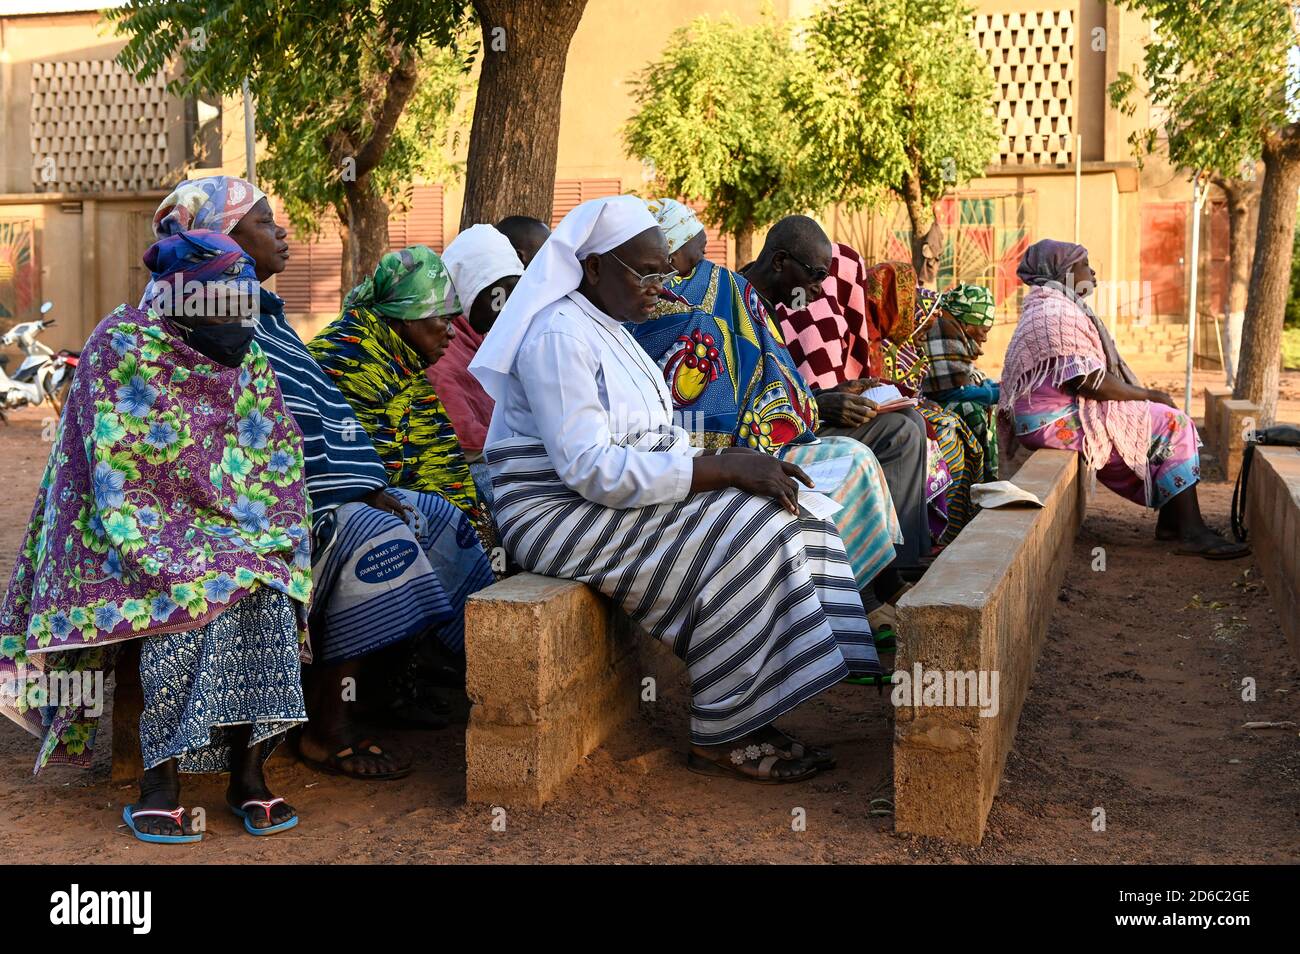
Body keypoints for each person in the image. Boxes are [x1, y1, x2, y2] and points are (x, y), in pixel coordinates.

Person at [470, 195, 881, 782]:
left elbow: (651, 436)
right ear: (593, 268)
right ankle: (724, 731)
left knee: (792, 513)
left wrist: (733, 463)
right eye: (647, 272)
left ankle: (752, 709)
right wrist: (722, 470)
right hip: (553, 513)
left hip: (595, 496)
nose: (661, 285)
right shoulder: (557, 333)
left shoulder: (609, 326)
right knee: (749, 533)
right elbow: (590, 468)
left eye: (666, 271)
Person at [152, 176, 487, 778]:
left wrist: (369, 483)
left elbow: (321, 425)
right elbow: (232, 444)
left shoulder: (271, 320)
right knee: (370, 532)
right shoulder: (197, 320)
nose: (281, 233)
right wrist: (356, 491)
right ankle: (327, 729)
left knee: (431, 517)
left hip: (299, 499)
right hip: (231, 517)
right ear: (219, 238)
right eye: (263, 223)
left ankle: (403, 685)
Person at [0, 230, 311, 842]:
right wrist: (176, 540)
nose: (240, 320)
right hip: (133, 527)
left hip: (236, 523)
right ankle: (159, 779)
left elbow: (276, 453)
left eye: (246, 304)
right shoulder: (120, 346)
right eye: (225, 304)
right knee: (184, 595)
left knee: (270, 586)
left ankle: (248, 775)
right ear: (184, 303)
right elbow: (111, 467)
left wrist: (258, 531)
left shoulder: (244, 355)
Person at [630, 199, 902, 618]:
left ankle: (864, 595)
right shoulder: (711, 304)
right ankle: (846, 602)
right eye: (698, 257)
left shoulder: (737, 301)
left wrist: (812, 405)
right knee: (861, 459)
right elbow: (715, 407)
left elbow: (769, 386)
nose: (709, 268)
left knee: (884, 441)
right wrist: (810, 409)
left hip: (757, 439)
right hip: (709, 455)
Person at [1000, 240, 1248, 559]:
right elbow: (1086, 381)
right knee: (1172, 422)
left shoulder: (1050, 304)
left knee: (1161, 419)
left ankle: (1174, 524)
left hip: (1052, 415)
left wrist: (1146, 400)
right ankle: (1192, 532)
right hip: (1052, 421)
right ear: (1064, 272)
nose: (1091, 271)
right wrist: (1149, 394)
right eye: (1083, 264)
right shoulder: (1054, 311)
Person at [762, 227, 934, 582]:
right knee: (900, 432)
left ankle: (904, 560)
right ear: (781, 262)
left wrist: (839, 391)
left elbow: (787, 384)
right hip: (772, 437)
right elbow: (753, 403)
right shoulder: (749, 308)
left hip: (799, 417)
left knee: (909, 420)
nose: (821, 289)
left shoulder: (770, 305)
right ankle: (884, 577)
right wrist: (819, 406)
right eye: (816, 276)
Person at [432, 224, 527, 494]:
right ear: (466, 291)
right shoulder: (441, 350)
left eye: (515, 291)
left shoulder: (486, 338)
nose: (506, 306)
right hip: (469, 473)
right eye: (497, 294)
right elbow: (465, 441)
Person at [921, 283, 1001, 482]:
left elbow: (969, 377)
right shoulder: (943, 329)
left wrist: (997, 388)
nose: (984, 337)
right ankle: (983, 479)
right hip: (928, 402)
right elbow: (947, 392)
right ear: (967, 324)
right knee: (971, 409)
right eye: (983, 330)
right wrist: (995, 394)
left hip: (934, 400)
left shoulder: (956, 331)